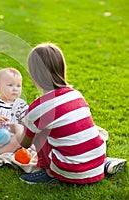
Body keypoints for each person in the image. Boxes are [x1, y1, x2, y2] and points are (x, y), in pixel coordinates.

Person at [11, 43, 127, 184]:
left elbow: (25, 143)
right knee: (79, 128)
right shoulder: (76, 95)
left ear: (33, 75)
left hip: (70, 171)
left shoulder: (38, 109)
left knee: (39, 131)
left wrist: (16, 128)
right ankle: (104, 163)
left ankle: (48, 173)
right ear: (62, 69)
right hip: (96, 161)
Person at [0, 67, 28, 160]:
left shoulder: (21, 105)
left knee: (18, 140)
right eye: (10, 85)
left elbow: (27, 120)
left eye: (18, 86)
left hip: (13, 136)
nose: (15, 89)